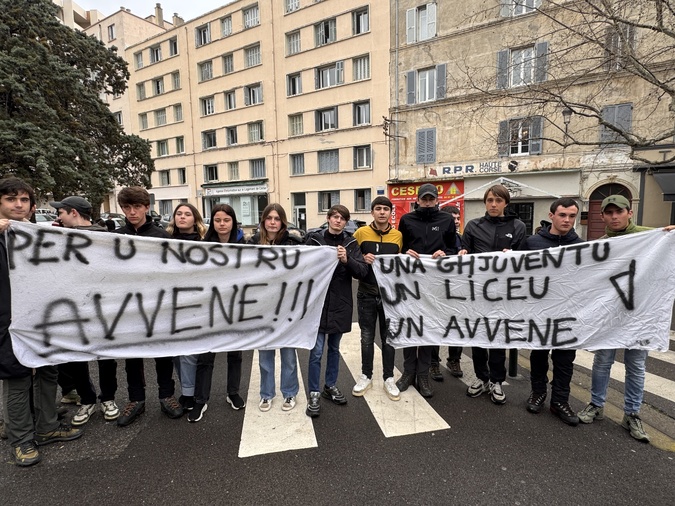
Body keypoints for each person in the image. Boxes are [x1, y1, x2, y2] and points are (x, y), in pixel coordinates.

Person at [577, 195, 675, 441]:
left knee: (636, 366)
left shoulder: (653, 237)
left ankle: (632, 413)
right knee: (602, 361)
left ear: (629, 213)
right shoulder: (599, 244)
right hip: (609, 315)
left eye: (619, 212)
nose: (614, 217)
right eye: (609, 213)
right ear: (602, 217)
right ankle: (596, 404)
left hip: (641, 315)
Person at [0, 177, 82, 467]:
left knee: (48, 372)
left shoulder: (39, 234)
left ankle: (46, 427)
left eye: (23, 200)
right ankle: (21, 439)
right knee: (18, 380)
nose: (18, 205)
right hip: (8, 322)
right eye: (11, 199)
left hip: (43, 318)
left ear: (32, 206)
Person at [113, 187, 184, 426]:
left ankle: (166, 395)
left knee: (162, 353)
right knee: (132, 356)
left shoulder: (162, 236)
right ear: (122, 209)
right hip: (128, 308)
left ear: (146, 207)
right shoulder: (115, 236)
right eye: (127, 208)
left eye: (137, 207)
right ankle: (136, 400)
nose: (132, 212)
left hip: (158, 306)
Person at [49, 196, 120, 426]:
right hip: (73, 311)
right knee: (76, 356)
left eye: (61, 212)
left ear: (73, 213)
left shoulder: (106, 238)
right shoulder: (59, 238)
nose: (58, 216)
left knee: (106, 357)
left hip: (104, 309)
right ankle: (87, 399)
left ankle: (108, 399)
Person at [460, 184, 526, 405]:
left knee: (499, 338)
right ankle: (481, 377)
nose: (494, 204)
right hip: (478, 293)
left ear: (506, 203)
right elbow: (464, 253)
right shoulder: (473, 226)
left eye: (498, 200)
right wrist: (461, 254)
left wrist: (514, 255)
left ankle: (497, 380)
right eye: (490, 200)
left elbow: (524, 259)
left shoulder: (518, 226)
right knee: (478, 337)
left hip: (504, 294)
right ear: (485, 203)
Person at [522, 198, 583, 426]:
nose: (567, 220)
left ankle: (560, 401)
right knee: (538, 356)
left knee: (565, 360)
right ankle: (538, 393)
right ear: (551, 216)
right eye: (562, 215)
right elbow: (515, 273)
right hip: (540, 313)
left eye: (572, 216)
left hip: (569, 313)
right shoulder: (532, 243)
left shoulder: (583, 246)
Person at [305, 205, 368, 417]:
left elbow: (362, 271)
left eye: (342, 218)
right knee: (316, 352)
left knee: (334, 349)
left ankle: (329, 385)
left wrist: (346, 260)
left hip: (340, 303)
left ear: (346, 222)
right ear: (328, 219)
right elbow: (301, 266)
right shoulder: (314, 240)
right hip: (318, 304)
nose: (338, 221)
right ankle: (313, 391)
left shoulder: (350, 243)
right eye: (335, 217)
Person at [395, 184, 457, 397]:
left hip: (435, 283)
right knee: (410, 327)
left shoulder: (446, 220)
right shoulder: (407, 220)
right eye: (425, 199)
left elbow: (453, 249)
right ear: (418, 200)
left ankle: (423, 375)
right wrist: (405, 252)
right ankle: (408, 372)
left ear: (437, 200)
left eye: (431, 199)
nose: (428, 202)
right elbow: (399, 249)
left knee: (429, 329)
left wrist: (444, 253)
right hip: (411, 283)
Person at [188, 204, 246, 422]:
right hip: (210, 309)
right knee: (206, 355)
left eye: (226, 220)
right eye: (218, 220)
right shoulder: (203, 247)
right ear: (213, 222)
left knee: (235, 354)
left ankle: (233, 393)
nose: (222, 224)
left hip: (235, 307)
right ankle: (200, 400)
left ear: (233, 221)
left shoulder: (244, 246)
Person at [248, 204, 303, 412]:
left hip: (287, 306)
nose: (272, 222)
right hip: (263, 307)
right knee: (265, 354)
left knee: (289, 353)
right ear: (263, 221)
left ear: (282, 222)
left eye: (277, 218)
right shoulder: (252, 243)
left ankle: (289, 393)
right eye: (269, 218)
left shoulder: (294, 242)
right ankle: (266, 394)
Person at [351, 197, 403, 401]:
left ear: (390, 212)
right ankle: (366, 376)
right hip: (366, 292)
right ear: (372, 212)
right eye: (378, 209)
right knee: (366, 337)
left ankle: (389, 377)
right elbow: (351, 257)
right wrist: (361, 259)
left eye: (385, 209)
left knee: (388, 338)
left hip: (389, 295)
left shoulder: (398, 236)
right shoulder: (360, 233)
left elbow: (403, 262)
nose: (382, 212)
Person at [165, 203, 207, 413]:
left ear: (195, 219)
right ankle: (188, 389)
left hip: (196, 302)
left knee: (189, 352)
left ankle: (189, 394)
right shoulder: (165, 242)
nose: (182, 217)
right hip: (171, 304)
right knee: (176, 352)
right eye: (179, 214)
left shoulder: (204, 243)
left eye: (187, 214)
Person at [441, 205, 464, 378]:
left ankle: (454, 359)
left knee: (458, 326)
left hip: (457, 291)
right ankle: (434, 362)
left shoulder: (461, 239)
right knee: (434, 325)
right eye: (453, 219)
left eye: (458, 219)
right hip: (438, 291)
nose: (456, 222)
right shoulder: (436, 239)